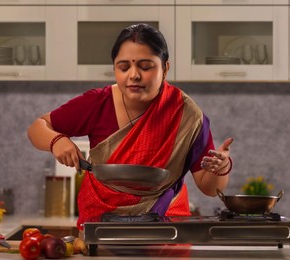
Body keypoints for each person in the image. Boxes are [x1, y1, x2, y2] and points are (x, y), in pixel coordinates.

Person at [28, 23, 233, 254]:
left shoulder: (185, 113)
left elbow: (208, 187)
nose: (133, 75)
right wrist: (57, 141)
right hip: (101, 228)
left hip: (166, 232)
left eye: (145, 66)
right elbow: (38, 127)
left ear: (165, 69)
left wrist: (221, 167)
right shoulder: (98, 103)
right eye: (123, 67)